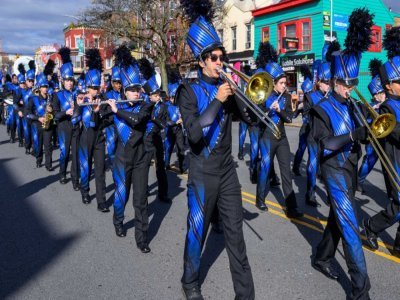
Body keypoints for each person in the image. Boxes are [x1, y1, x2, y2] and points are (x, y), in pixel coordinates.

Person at [178, 1, 255, 298]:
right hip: (201, 171)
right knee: (197, 231)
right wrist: (218, 100)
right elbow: (195, 134)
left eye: (221, 56)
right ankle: (189, 281)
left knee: (236, 236)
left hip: (226, 173)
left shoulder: (227, 86)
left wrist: (247, 96)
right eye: (213, 57)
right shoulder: (188, 91)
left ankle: (245, 295)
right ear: (201, 60)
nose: (219, 61)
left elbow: (250, 118)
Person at [310, 8, 374, 299]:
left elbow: (366, 129)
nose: (352, 88)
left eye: (353, 83)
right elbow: (324, 145)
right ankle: (361, 290)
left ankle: (322, 257)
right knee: (349, 227)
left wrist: (370, 125)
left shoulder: (352, 105)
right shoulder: (320, 108)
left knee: (338, 219)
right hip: (333, 169)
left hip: (349, 168)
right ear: (336, 81)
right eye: (348, 84)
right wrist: (353, 135)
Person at [103, 45, 152, 251]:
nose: (134, 92)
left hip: (141, 158)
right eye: (131, 89)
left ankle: (141, 240)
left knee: (140, 200)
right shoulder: (116, 104)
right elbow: (99, 121)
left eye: (137, 89)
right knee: (122, 195)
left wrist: (116, 111)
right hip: (122, 159)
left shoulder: (146, 105)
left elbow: (138, 120)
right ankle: (118, 221)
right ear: (124, 90)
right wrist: (98, 108)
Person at [363, 26, 400, 257]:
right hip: (394, 161)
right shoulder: (387, 106)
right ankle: (371, 226)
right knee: (398, 208)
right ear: (388, 85)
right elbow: (395, 132)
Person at [254, 42, 303, 218]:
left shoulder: (287, 96)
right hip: (267, 136)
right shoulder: (263, 95)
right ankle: (260, 198)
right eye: (281, 83)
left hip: (281, 137)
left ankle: (292, 208)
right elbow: (255, 118)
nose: (284, 85)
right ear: (273, 83)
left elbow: (289, 118)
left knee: (286, 173)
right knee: (265, 168)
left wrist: (279, 110)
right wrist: (268, 109)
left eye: (285, 82)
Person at [77, 49, 108, 212]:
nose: (94, 91)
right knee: (85, 165)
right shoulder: (81, 98)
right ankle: (85, 190)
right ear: (87, 86)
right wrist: (78, 104)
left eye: (96, 87)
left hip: (99, 136)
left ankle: (101, 200)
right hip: (86, 135)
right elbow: (75, 118)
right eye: (92, 87)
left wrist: (98, 109)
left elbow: (106, 118)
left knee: (101, 168)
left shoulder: (102, 99)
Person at [139, 58, 170, 203]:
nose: (156, 97)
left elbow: (165, 122)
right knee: (144, 167)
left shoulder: (162, 106)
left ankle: (163, 193)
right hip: (145, 138)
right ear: (149, 95)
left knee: (160, 167)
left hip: (157, 137)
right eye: (154, 95)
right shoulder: (144, 105)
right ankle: (143, 191)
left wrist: (159, 122)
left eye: (157, 94)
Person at [52, 47, 80, 190]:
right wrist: (65, 112)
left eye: (71, 80)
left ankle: (76, 180)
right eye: (67, 80)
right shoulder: (57, 95)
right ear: (63, 80)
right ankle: (62, 173)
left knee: (75, 154)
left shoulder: (77, 94)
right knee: (64, 152)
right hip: (64, 127)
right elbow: (55, 115)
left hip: (76, 126)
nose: (70, 83)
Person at [357, 59, 386, 194]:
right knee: (369, 161)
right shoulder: (372, 104)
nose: (376, 97)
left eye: (378, 94)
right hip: (375, 139)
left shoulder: (390, 101)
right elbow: (367, 122)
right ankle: (359, 182)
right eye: (375, 95)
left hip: (390, 138)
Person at [26, 60, 56, 171]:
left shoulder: (51, 97)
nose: (46, 88)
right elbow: (28, 113)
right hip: (38, 124)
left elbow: (55, 110)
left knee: (48, 146)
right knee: (38, 145)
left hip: (48, 124)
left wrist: (51, 109)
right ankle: (39, 159)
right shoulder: (33, 99)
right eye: (43, 86)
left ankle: (49, 164)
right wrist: (38, 118)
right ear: (39, 87)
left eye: (46, 86)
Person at [165, 68, 186, 174]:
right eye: (172, 97)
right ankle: (166, 165)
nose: (174, 99)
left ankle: (182, 167)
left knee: (181, 149)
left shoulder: (181, 106)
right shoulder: (166, 106)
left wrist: (184, 119)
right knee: (168, 147)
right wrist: (175, 122)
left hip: (179, 131)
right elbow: (166, 121)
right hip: (170, 130)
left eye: (175, 97)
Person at [12, 64, 27, 146]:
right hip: (18, 110)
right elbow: (14, 102)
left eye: (23, 83)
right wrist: (18, 109)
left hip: (25, 109)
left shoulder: (26, 90)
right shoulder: (16, 90)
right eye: (21, 83)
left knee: (25, 126)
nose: (22, 84)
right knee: (19, 126)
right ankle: (20, 141)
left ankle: (25, 140)